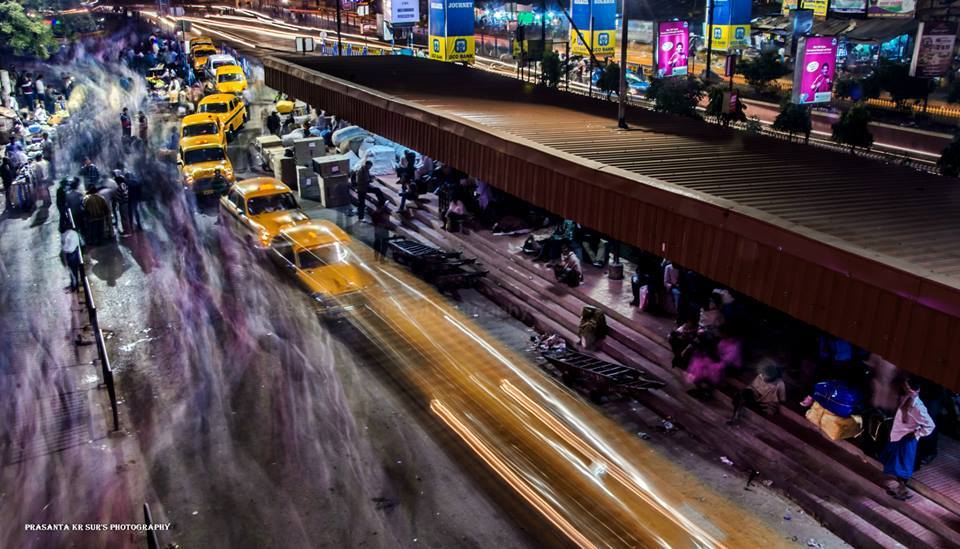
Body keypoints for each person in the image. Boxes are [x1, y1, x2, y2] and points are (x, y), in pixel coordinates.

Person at [882, 378, 935, 501]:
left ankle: (901, 491)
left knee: (902, 466)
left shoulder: (918, 407)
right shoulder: (906, 398)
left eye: (910, 389)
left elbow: (930, 425)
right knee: (896, 465)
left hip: (906, 439)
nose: (908, 391)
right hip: (898, 436)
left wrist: (917, 433)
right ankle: (898, 489)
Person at [61, 224, 82, 292]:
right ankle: (76, 284)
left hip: (70, 255)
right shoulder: (74, 233)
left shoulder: (64, 235)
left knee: (72, 272)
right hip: (76, 252)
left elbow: (64, 248)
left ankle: (74, 286)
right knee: (76, 270)